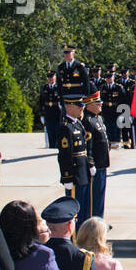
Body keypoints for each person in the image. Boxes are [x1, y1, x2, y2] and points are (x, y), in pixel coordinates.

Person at [57, 92, 92, 226]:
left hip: (83, 174)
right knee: (74, 214)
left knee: (83, 211)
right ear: (69, 107)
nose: (82, 108)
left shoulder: (78, 125)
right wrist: (66, 177)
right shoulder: (65, 127)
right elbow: (64, 155)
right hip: (74, 175)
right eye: (78, 105)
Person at [83, 91, 110, 220]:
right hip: (96, 165)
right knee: (94, 198)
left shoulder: (98, 118)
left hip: (102, 164)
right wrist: (91, 163)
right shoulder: (87, 121)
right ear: (89, 104)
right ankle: (94, 221)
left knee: (100, 197)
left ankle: (100, 220)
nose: (101, 104)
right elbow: (88, 146)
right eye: (98, 102)